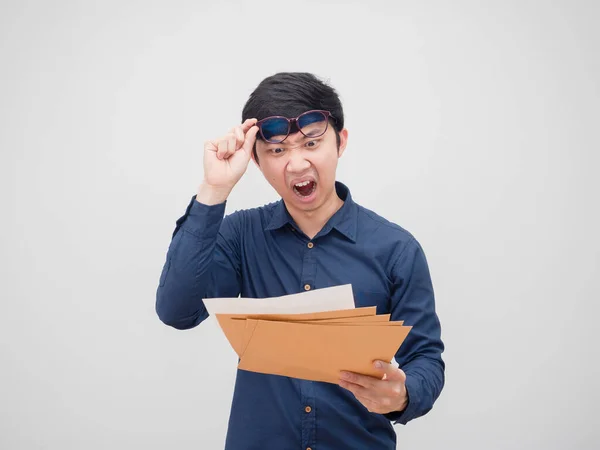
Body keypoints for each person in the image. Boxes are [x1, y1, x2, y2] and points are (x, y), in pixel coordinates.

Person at [156, 72, 445, 449]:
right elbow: (177, 312)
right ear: (257, 162)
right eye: (277, 151)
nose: (296, 164)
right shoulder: (239, 236)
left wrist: (404, 395)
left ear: (340, 142)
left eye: (311, 143)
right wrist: (214, 190)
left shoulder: (396, 248)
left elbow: (425, 358)